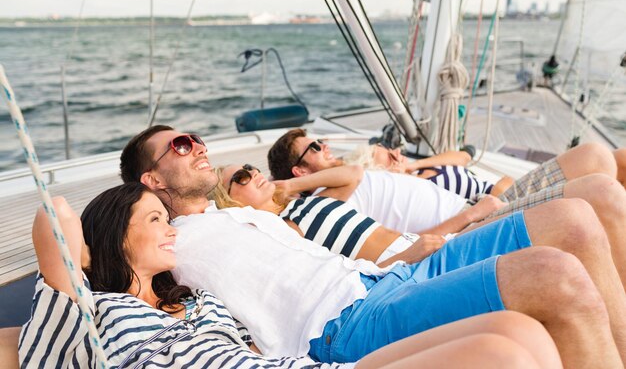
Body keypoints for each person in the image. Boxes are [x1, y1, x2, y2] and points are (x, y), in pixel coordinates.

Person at [119, 125, 626, 367]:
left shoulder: (243, 215)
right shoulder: (161, 240)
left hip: (381, 278)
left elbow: (328, 251)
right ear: (151, 178)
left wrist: (413, 252)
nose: (199, 146)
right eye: (181, 146)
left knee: (573, 218)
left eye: (197, 138)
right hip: (341, 324)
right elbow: (83, 264)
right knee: (554, 276)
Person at [16, 183, 561, 369]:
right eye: (155, 219)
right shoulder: (94, 313)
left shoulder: (198, 300)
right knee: (503, 356)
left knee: (522, 334)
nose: (171, 229)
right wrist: (86, 258)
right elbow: (55, 214)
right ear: (111, 239)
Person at [268, 129, 626, 285]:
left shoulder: (354, 175)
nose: (324, 145)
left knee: (599, 155)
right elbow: (404, 246)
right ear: (299, 171)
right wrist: (471, 215)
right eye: (313, 147)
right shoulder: (328, 204)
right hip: (474, 224)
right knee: (602, 193)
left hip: (482, 204)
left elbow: (356, 169)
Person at [212, 163, 499, 266]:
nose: (252, 172)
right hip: (412, 265)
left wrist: (291, 184)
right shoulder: (285, 231)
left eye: (250, 166)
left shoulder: (303, 206)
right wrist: (404, 260)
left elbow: (353, 174)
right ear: (229, 201)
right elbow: (338, 276)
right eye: (240, 176)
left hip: (433, 246)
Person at [344, 144, 514, 200]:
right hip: (503, 196)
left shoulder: (421, 170)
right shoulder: (420, 190)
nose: (397, 151)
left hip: (505, 189)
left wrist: (414, 165)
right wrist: (500, 190)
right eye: (391, 156)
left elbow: (463, 157)